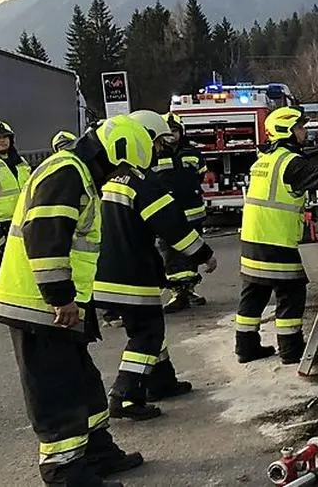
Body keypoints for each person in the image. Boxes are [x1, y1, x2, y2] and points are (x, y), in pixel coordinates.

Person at [0, 116, 150, 486]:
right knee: (57, 390)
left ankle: (95, 451)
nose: (116, 177)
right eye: (120, 168)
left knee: (83, 382)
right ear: (112, 153)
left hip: (60, 305)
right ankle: (63, 471)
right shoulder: (67, 173)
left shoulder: (77, 172)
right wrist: (60, 297)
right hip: (40, 306)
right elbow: (44, 235)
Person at [93, 110, 217, 422]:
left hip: (105, 272)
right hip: (131, 273)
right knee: (147, 333)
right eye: (157, 144)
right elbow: (173, 228)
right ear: (143, 140)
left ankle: (162, 381)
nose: (159, 150)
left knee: (146, 328)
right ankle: (127, 395)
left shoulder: (107, 179)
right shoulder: (141, 182)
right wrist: (204, 255)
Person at [236, 106, 318, 365]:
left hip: (252, 240)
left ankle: (245, 348)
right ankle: (291, 349)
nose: (303, 132)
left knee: (254, 294)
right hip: (277, 241)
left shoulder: (263, 160)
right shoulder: (290, 163)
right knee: (291, 293)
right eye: (299, 128)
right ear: (286, 130)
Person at [155, 112, 209, 313]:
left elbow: (201, 175)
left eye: (175, 131)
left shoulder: (193, 153)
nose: (171, 136)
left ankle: (189, 289)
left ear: (181, 131)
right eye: (168, 132)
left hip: (193, 212)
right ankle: (177, 293)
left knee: (192, 252)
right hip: (168, 215)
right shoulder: (156, 153)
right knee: (170, 253)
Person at [0, 120, 32, 287]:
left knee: (24, 267)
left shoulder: (22, 162)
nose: (2, 140)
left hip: (23, 222)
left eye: (5, 137)